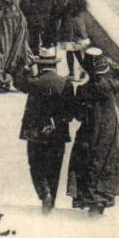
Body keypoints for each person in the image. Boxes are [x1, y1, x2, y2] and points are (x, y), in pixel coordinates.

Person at [67, 48, 119, 216]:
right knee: (107, 160)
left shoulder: (84, 90)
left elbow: (78, 115)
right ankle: (103, 197)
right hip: (109, 128)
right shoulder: (110, 86)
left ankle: (90, 197)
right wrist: (112, 63)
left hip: (90, 128)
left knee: (86, 160)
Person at [18, 48, 75, 213]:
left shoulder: (33, 82)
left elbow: (18, 81)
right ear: (54, 66)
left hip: (35, 133)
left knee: (36, 165)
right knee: (55, 168)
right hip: (58, 133)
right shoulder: (65, 83)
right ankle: (52, 202)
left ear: (40, 65)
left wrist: (28, 66)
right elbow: (70, 113)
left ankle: (45, 194)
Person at [57, 0, 91, 81]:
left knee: (69, 51)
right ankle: (84, 71)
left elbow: (61, 10)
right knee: (77, 51)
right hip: (78, 27)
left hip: (69, 26)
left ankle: (72, 73)